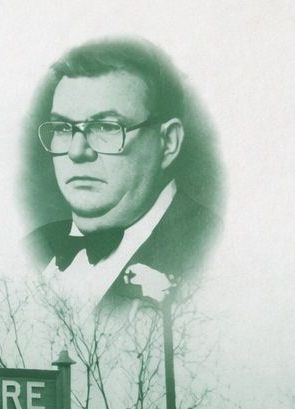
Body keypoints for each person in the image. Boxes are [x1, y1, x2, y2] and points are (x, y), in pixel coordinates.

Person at [25, 37, 218, 310]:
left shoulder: (211, 252)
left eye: (106, 127)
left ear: (168, 143)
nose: (77, 151)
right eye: (63, 128)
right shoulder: (30, 249)